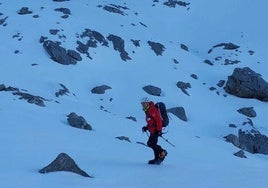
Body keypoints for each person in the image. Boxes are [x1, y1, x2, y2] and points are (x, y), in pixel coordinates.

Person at [141, 97, 167, 164]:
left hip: (155, 131)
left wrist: (159, 131)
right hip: (153, 131)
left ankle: (162, 152)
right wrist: (146, 127)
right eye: (142, 103)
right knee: (152, 144)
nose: (143, 105)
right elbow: (151, 122)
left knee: (150, 143)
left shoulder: (152, 109)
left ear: (147, 103)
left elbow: (158, 121)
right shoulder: (147, 110)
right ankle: (157, 158)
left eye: (144, 103)